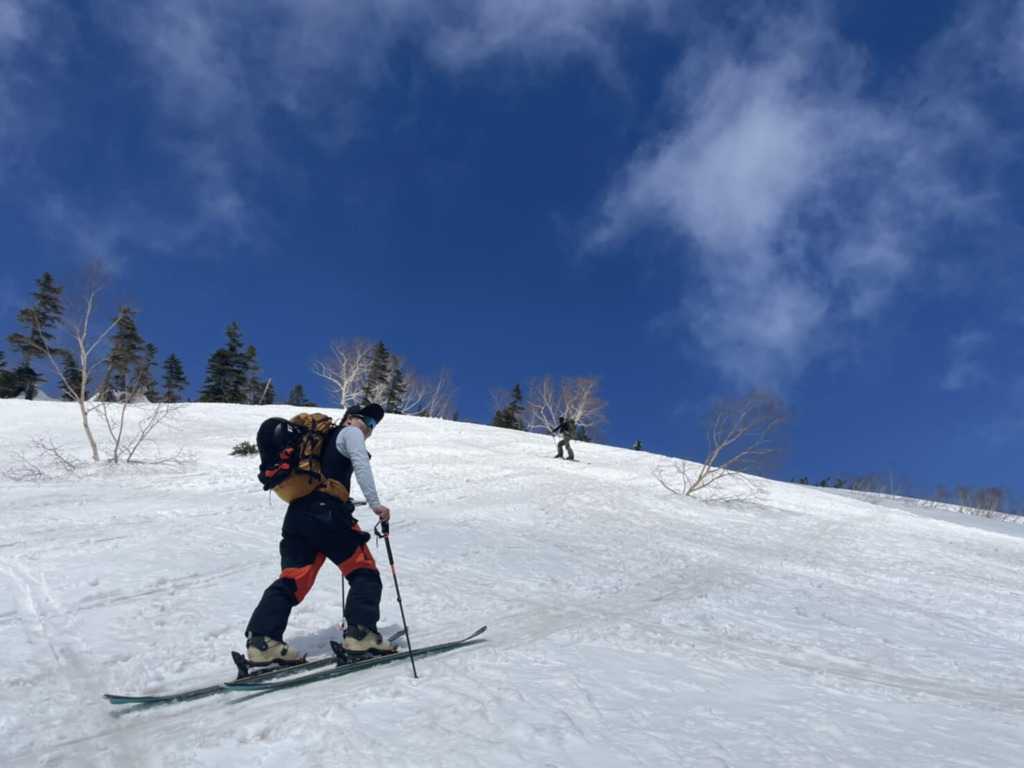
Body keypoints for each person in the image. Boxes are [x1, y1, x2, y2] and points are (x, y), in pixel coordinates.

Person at [244, 403, 394, 666]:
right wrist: (375, 503)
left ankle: (264, 641)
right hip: (327, 515)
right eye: (366, 420)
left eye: (374, 425)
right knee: (364, 571)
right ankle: (362, 634)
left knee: (293, 579)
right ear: (349, 419)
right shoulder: (350, 433)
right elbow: (361, 463)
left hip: (298, 517)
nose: (369, 428)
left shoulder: (317, 444)